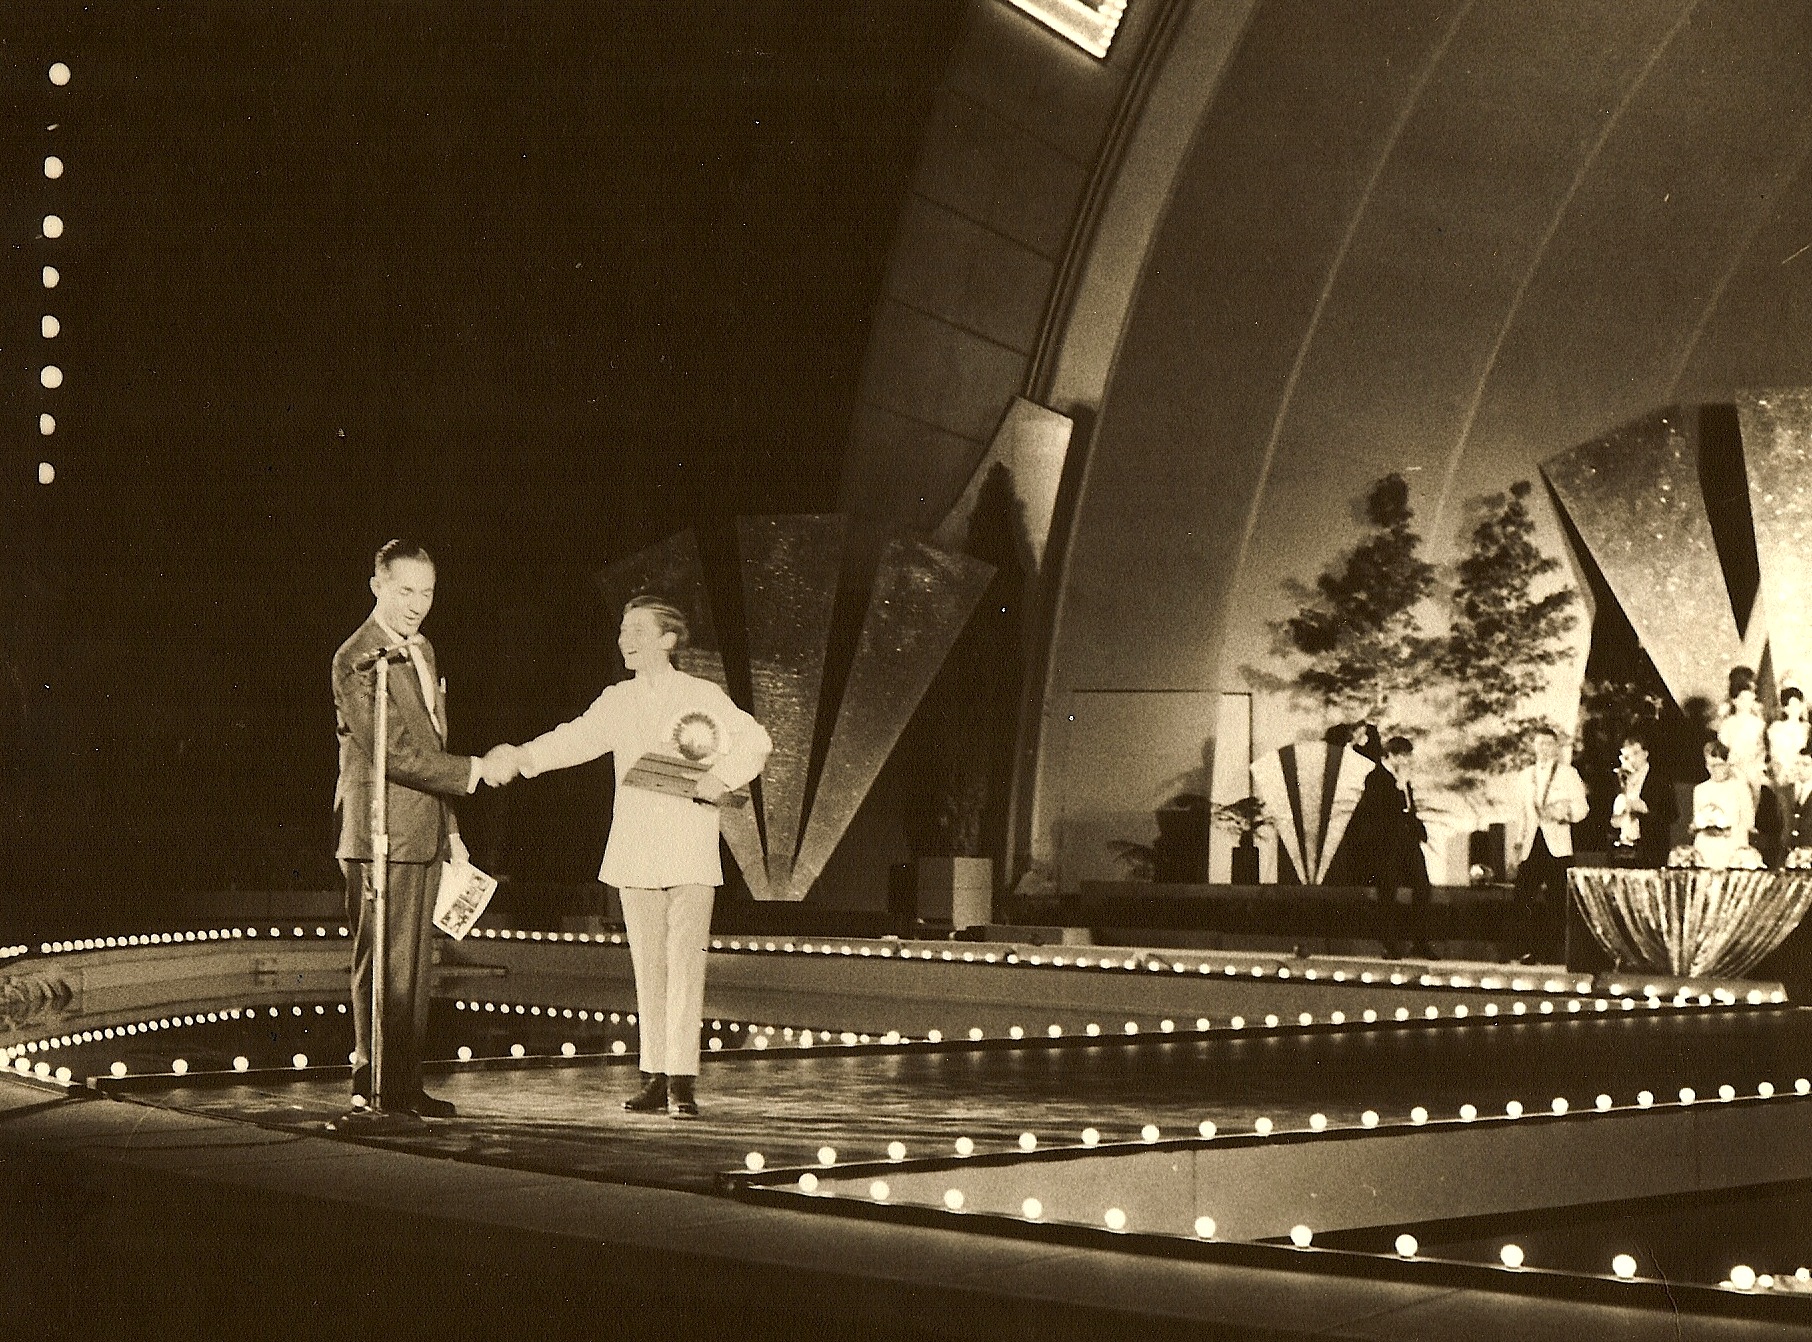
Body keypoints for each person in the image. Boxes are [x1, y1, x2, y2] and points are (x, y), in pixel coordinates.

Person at [488, 597, 771, 1118]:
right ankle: (654, 1076)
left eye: (638, 629)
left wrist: (721, 778)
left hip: (688, 847)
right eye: (622, 630)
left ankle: (682, 1082)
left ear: (668, 639)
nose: (626, 639)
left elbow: (756, 740)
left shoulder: (701, 694)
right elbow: (573, 739)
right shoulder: (618, 699)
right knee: (648, 967)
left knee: (686, 964)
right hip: (637, 848)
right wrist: (522, 758)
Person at [332, 540, 511, 1123]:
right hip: (379, 829)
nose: (417, 604)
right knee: (379, 959)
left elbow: (430, 742)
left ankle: (403, 1082)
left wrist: (453, 831)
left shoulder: (424, 650)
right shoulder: (356, 657)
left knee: (412, 965)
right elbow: (395, 753)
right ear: (377, 585)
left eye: (427, 592)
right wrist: (474, 771)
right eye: (406, 590)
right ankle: (373, 1077)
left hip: (425, 828)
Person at [1350, 735, 1433, 960]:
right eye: (1405, 757)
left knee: (1423, 887)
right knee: (1388, 893)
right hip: (1386, 845)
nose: (1408, 761)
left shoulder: (1402, 779)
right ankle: (1389, 943)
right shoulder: (1376, 778)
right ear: (1393, 755)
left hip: (1406, 843)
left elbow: (1407, 809)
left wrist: (1417, 828)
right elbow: (1382, 814)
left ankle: (1420, 940)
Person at [1511, 725, 1588, 964]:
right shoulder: (1525, 776)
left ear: (1556, 748)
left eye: (1548, 744)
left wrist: (1564, 814)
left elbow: (1582, 809)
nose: (1543, 749)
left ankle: (1551, 953)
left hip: (1557, 844)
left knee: (1557, 900)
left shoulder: (1568, 774)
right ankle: (1526, 950)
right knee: (1522, 897)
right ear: (1534, 747)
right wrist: (1517, 843)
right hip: (1532, 842)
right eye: (1540, 744)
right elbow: (1521, 812)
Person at [1607, 733, 1674, 868]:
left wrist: (1646, 810)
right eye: (1626, 756)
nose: (1631, 759)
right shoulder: (1618, 779)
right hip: (1621, 851)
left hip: (1650, 851)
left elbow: (1671, 814)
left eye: (1635, 753)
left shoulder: (1660, 780)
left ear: (1645, 754)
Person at [1690, 737, 1756, 868]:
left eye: (1719, 765)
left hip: (1731, 849)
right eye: (1710, 765)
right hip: (1705, 849)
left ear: (1727, 764)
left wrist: (1726, 831)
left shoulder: (1740, 788)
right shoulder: (1700, 789)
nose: (1714, 770)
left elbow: (1748, 822)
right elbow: (1697, 820)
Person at [1716, 665, 1767, 808]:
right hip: (1732, 769)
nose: (1746, 703)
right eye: (1741, 699)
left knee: (1751, 798)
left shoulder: (1759, 724)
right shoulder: (1727, 724)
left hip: (1752, 770)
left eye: (1750, 698)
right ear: (1734, 700)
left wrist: (1752, 764)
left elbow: (1761, 749)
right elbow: (1722, 750)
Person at [1767, 684, 1809, 792]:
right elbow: (1776, 754)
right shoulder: (1777, 728)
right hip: (1784, 771)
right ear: (1784, 708)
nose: (1795, 709)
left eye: (1797, 705)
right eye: (1791, 705)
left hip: (1805, 771)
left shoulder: (1806, 728)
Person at [1782, 753, 1812, 856]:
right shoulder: (1785, 791)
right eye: (1797, 764)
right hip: (1784, 855)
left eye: (1805, 765)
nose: (1800, 768)